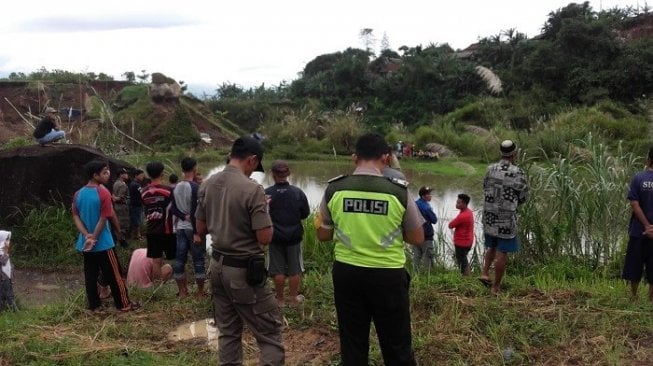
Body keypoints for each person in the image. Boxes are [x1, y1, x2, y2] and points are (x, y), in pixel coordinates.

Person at [316, 133, 424, 366]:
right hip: (388, 276)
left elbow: (323, 234)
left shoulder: (334, 189)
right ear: (386, 158)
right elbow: (417, 237)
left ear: (355, 158)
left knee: (352, 342)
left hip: (347, 274)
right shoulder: (398, 191)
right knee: (396, 342)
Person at [195, 136, 284, 365]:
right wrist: (266, 211)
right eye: (255, 167)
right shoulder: (253, 190)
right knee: (270, 335)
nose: (253, 172)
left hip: (217, 267)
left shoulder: (207, 184)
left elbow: (200, 228)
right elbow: (264, 238)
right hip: (244, 272)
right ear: (252, 160)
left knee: (228, 332)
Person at [72, 160, 138, 313]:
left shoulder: (78, 194)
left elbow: (76, 216)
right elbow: (105, 217)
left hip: (86, 243)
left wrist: (86, 235)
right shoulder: (103, 192)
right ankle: (124, 304)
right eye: (104, 172)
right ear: (95, 175)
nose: (108, 174)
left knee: (90, 274)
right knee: (115, 274)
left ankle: (94, 306)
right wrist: (97, 236)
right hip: (103, 243)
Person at [479, 140, 529, 295]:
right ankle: (496, 287)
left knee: (491, 246)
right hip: (506, 218)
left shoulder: (490, 169)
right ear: (514, 154)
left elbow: (485, 187)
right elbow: (523, 197)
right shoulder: (518, 173)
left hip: (489, 215)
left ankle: (485, 273)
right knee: (502, 252)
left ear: (501, 153)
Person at [265, 160, 310, 307]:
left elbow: (262, 215)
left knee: (277, 269)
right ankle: (294, 299)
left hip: (275, 237)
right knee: (294, 269)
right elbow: (305, 214)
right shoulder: (298, 192)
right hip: (294, 236)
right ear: (288, 174)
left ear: (272, 174)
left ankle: (279, 300)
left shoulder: (267, 194)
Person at [170, 157, 205, 299]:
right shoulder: (195, 187)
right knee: (198, 260)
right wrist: (197, 232)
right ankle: (200, 292)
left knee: (179, 260)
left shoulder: (176, 187)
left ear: (182, 169)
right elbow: (196, 210)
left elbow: (173, 208)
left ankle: (183, 291)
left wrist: (183, 217)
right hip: (193, 229)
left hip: (180, 228)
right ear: (194, 169)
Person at [622, 146, 653, 302]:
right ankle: (650, 299)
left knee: (635, 264)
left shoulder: (638, 177)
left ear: (649, 159)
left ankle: (634, 297)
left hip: (638, 230)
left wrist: (647, 226)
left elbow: (634, 204)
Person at [140, 162, 176, 286]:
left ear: (148, 174)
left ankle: (157, 287)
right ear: (162, 173)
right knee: (176, 258)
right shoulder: (169, 191)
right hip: (167, 230)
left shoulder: (143, 192)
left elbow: (145, 209)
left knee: (156, 260)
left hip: (151, 230)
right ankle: (180, 287)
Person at [449, 193, 474, 276]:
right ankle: (467, 277)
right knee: (463, 260)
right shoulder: (468, 212)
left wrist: (452, 221)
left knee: (462, 262)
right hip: (468, 241)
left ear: (464, 204)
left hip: (462, 242)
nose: (456, 204)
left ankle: (467, 278)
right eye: (457, 202)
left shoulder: (463, 216)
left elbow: (451, 225)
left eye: (459, 203)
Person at [413, 186, 438, 273]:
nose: (430, 196)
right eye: (429, 194)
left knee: (416, 256)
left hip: (415, 233)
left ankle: (415, 275)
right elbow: (434, 220)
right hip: (426, 235)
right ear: (423, 196)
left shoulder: (414, 204)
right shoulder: (426, 208)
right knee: (428, 256)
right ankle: (427, 276)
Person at [112, 168, 130, 246]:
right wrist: (116, 198)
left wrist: (114, 198)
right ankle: (121, 241)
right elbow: (120, 198)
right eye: (125, 173)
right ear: (121, 175)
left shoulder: (115, 183)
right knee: (122, 223)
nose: (127, 175)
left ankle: (118, 240)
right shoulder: (122, 184)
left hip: (116, 206)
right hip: (122, 206)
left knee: (117, 222)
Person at [0, 230, 17, 312]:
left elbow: (9, 266)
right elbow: (3, 262)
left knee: (4, 296)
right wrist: (6, 252)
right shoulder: (2, 253)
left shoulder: (3, 253)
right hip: (3, 280)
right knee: (9, 296)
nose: (8, 242)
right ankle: (16, 313)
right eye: (6, 240)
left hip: (6, 279)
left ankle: (4, 312)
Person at [128, 169, 145, 240]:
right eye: (141, 176)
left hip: (135, 205)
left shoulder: (134, 184)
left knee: (136, 220)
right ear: (136, 175)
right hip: (136, 205)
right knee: (137, 221)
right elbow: (142, 193)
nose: (142, 177)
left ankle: (136, 235)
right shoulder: (136, 185)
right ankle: (137, 236)